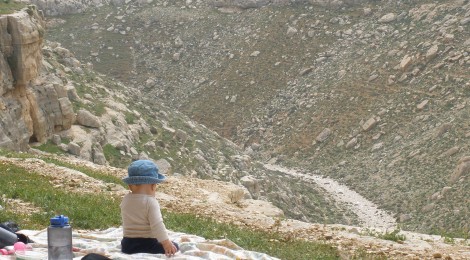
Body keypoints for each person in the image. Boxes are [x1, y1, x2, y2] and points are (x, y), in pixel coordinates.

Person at [120, 160, 179, 256]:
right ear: (153, 186)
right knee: (175, 246)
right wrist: (166, 243)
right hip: (146, 244)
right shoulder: (150, 202)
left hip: (127, 245)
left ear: (130, 186)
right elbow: (157, 225)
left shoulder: (126, 199)